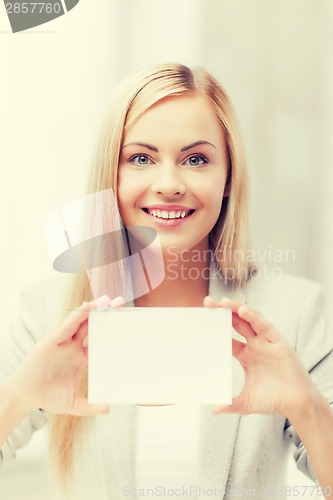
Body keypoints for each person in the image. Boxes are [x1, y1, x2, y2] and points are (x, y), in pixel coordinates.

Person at [0, 63, 333, 499]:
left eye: (196, 159)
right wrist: (17, 398)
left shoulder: (296, 313)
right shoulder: (49, 313)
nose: (169, 184)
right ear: (111, 176)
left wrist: (305, 406)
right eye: (141, 158)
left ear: (228, 176)